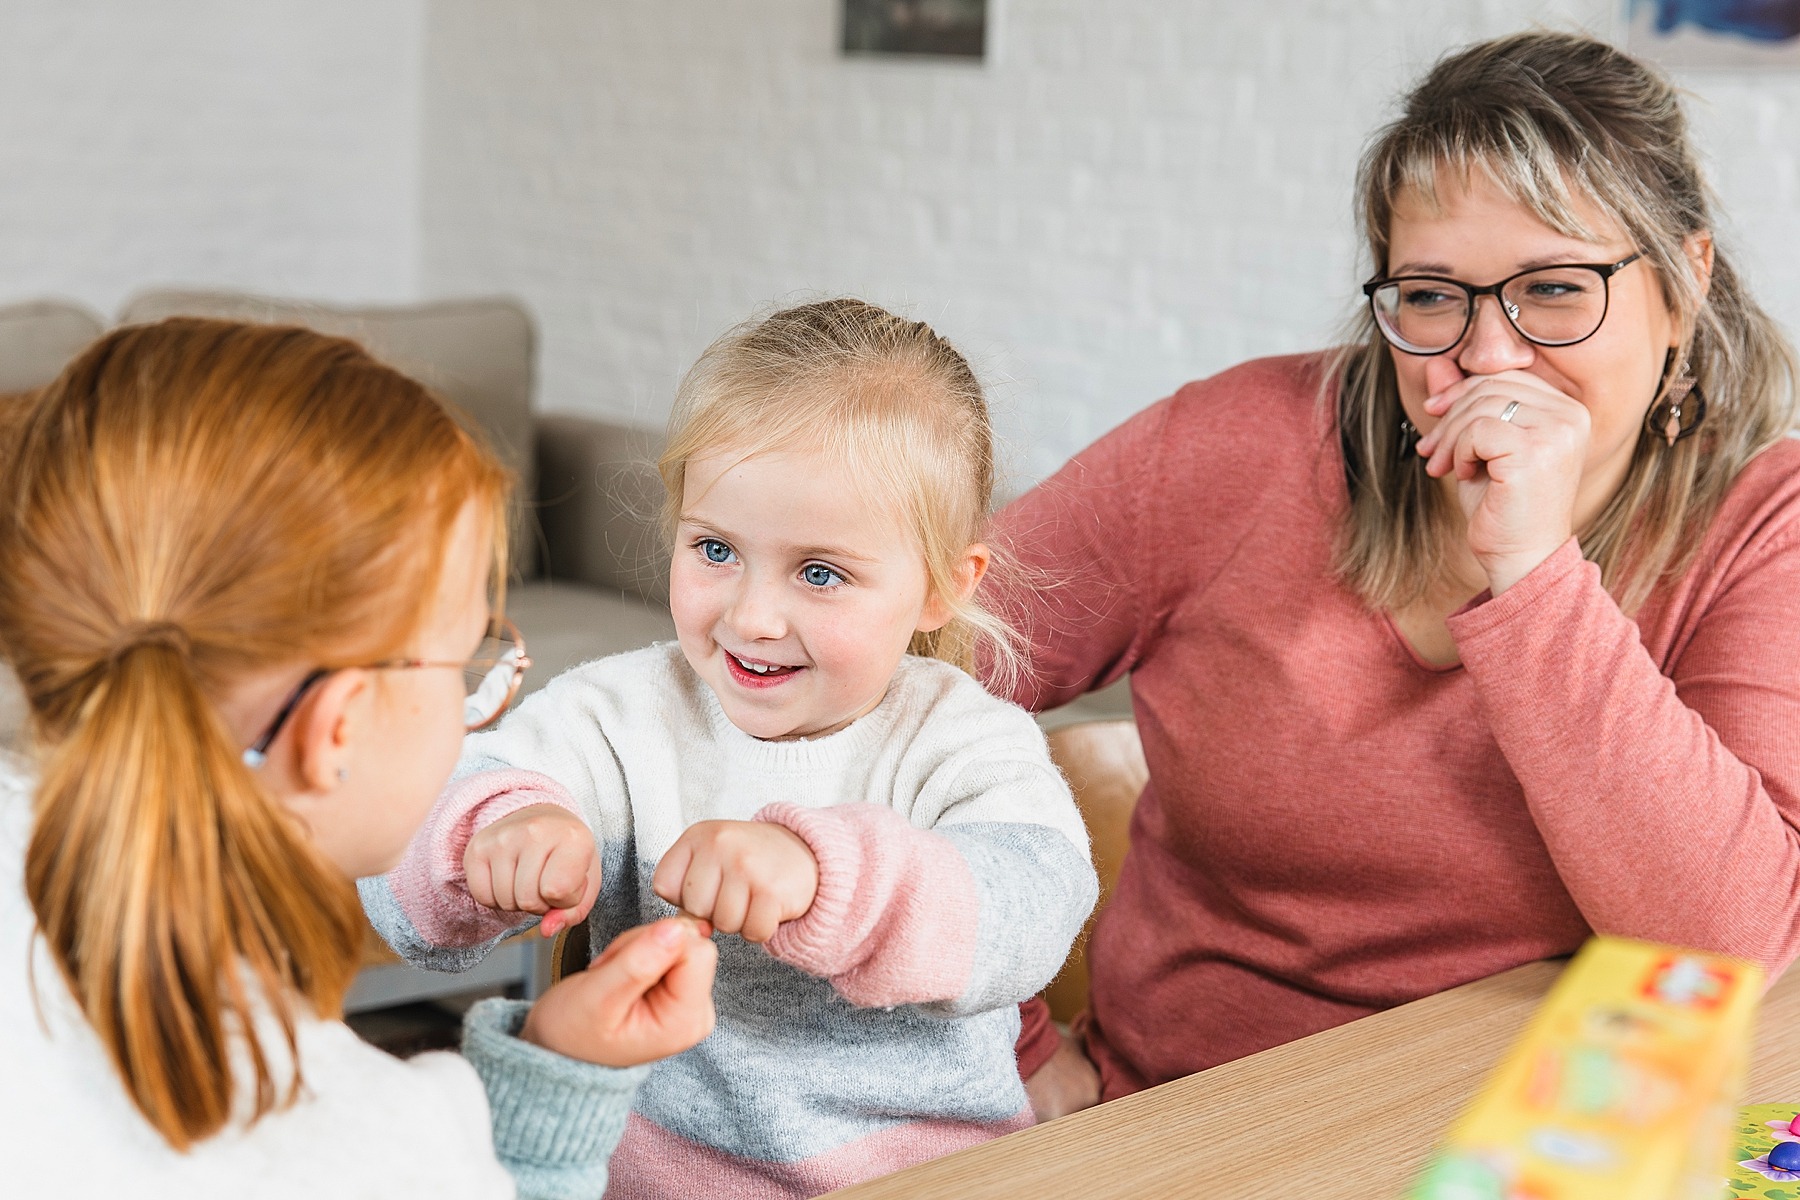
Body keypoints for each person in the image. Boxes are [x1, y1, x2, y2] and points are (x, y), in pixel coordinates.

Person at [1006, 29, 1800, 1115]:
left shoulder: (1769, 520)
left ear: (1684, 279)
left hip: (1550, 1146)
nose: (1488, 357)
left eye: (1556, 289)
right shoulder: (1232, 447)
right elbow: (868, 680)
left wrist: (1529, 567)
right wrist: (999, 1050)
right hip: (1181, 1124)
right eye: (1431, 297)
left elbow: (1726, 946)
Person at [363, 299, 1099, 1197]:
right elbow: (402, 873)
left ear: (945, 583)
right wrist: (494, 832)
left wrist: (822, 876)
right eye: (715, 548)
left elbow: (1033, 911)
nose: (751, 616)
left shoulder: (964, 737)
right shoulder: (620, 712)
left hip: (931, 1178)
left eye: (820, 572)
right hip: (644, 1180)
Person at [0, 318, 719, 1197]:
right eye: (467, 663)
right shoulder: (379, 1148)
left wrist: (548, 1057)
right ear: (335, 728)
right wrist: (549, 1104)